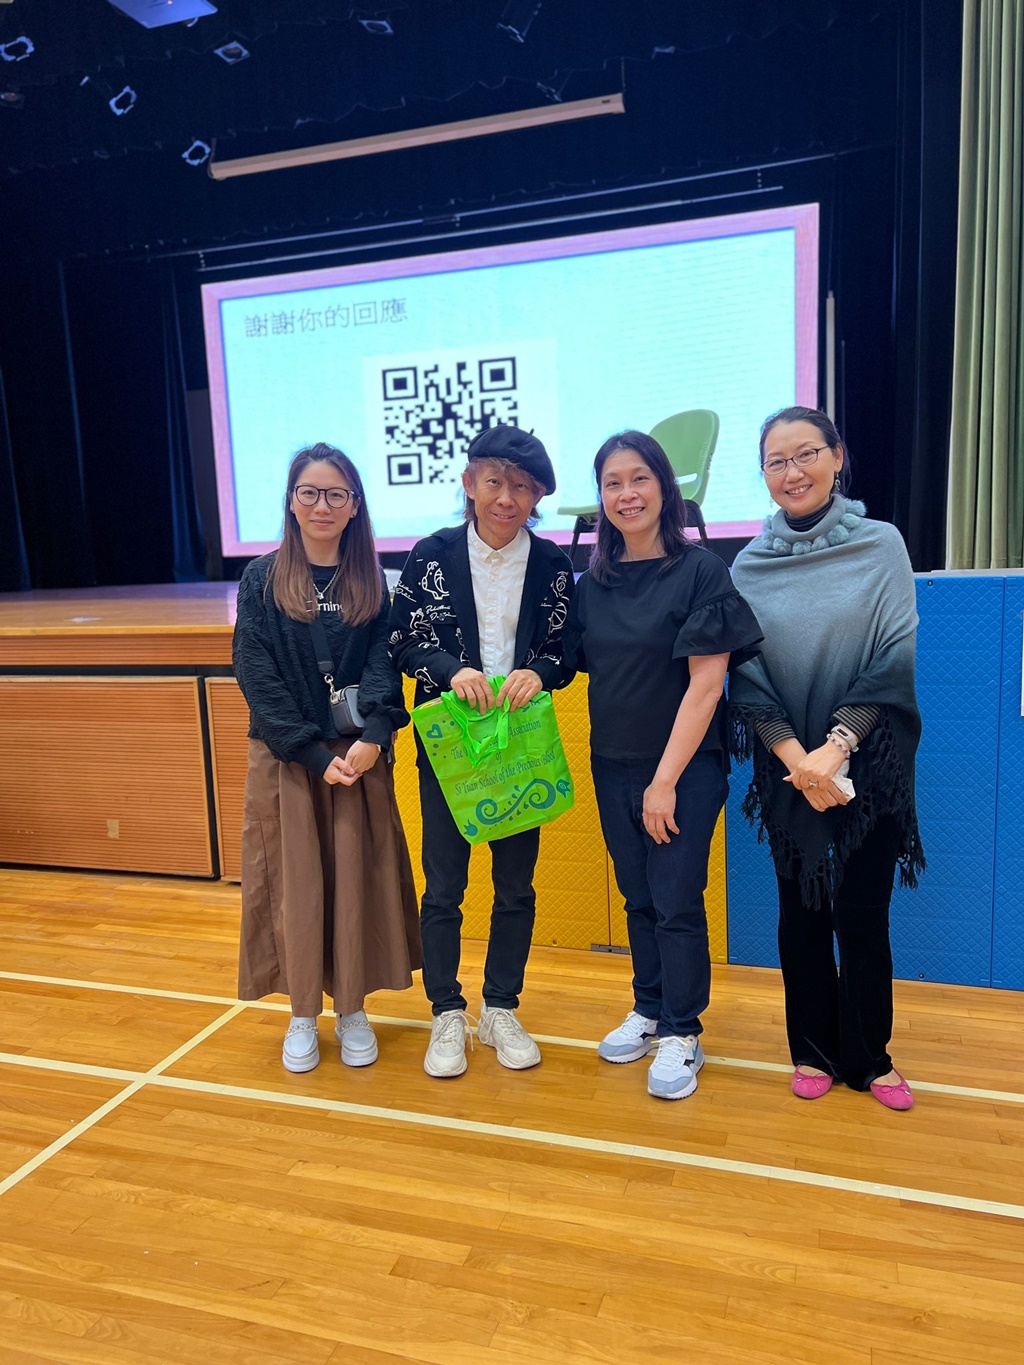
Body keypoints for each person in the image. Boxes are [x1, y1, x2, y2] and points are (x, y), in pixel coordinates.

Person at [729, 406, 925, 1111]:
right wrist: (797, 758)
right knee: (802, 913)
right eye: (776, 461)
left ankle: (870, 1057)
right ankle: (811, 1048)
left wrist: (837, 747)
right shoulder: (748, 564)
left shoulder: (881, 545)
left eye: (806, 453)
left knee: (863, 914)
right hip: (788, 766)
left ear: (837, 456)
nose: (793, 472)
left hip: (868, 763)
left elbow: (893, 656)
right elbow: (747, 675)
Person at [564, 431, 762, 1101]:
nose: (627, 494)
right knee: (639, 897)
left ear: (664, 487)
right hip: (611, 764)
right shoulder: (593, 582)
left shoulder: (701, 571)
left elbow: (706, 685)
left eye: (639, 478)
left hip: (682, 771)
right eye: (613, 483)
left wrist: (664, 781)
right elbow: (572, 665)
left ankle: (683, 1028)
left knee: (676, 901)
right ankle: (648, 1008)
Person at [389, 423, 575, 1079]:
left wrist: (540, 673)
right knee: (444, 887)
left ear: (537, 497)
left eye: (522, 487)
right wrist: (450, 669)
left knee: (515, 887)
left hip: (520, 747)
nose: (506, 498)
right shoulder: (431, 556)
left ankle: (500, 1007)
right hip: (451, 747)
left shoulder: (552, 564)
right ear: (470, 483)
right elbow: (402, 640)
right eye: (494, 481)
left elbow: (566, 651)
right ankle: (446, 1010)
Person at [233, 442, 420, 1074]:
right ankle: (302, 1014)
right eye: (309, 492)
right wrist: (310, 752)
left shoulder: (372, 579)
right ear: (291, 502)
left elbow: (384, 662)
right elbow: (254, 669)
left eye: (336, 494)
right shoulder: (262, 578)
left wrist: (375, 736)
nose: (322, 505)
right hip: (291, 758)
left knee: (358, 883)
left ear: (355, 505)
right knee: (297, 887)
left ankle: (353, 1009)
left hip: (358, 757)